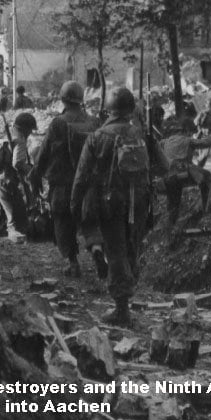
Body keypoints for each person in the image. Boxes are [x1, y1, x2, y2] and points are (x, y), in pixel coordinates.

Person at [71, 89, 153, 326]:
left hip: (110, 203)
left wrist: (76, 206)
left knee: (115, 251)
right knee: (130, 248)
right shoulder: (140, 134)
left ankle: (121, 309)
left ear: (108, 109)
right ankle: (127, 292)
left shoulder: (98, 136)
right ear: (130, 110)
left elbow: (81, 176)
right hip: (138, 202)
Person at [29, 81, 100, 276]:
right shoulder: (94, 122)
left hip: (62, 184)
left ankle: (73, 263)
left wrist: (35, 174)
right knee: (89, 221)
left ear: (62, 99)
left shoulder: (58, 123)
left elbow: (44, 153)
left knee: (62, 222)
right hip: (88, 184)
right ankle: (96, 249)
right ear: (81, 99)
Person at [0, 112, 37, 242]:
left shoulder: (5, 140)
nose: (30, 133)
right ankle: (14, 232)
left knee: (6, 210)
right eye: (30, 130)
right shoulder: (20, 141)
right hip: (5, 183)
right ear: (25, 129)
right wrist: (31, 170)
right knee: (18, 216)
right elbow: (18, 163)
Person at [157, 117, 211, 224]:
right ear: (187, 131)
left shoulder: (164, 142)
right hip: (183, 173)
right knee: (207, 176)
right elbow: (206, 143)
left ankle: (170, 225)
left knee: (173, 202)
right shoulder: (188, 140)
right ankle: (206, 209)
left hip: (168, 176)